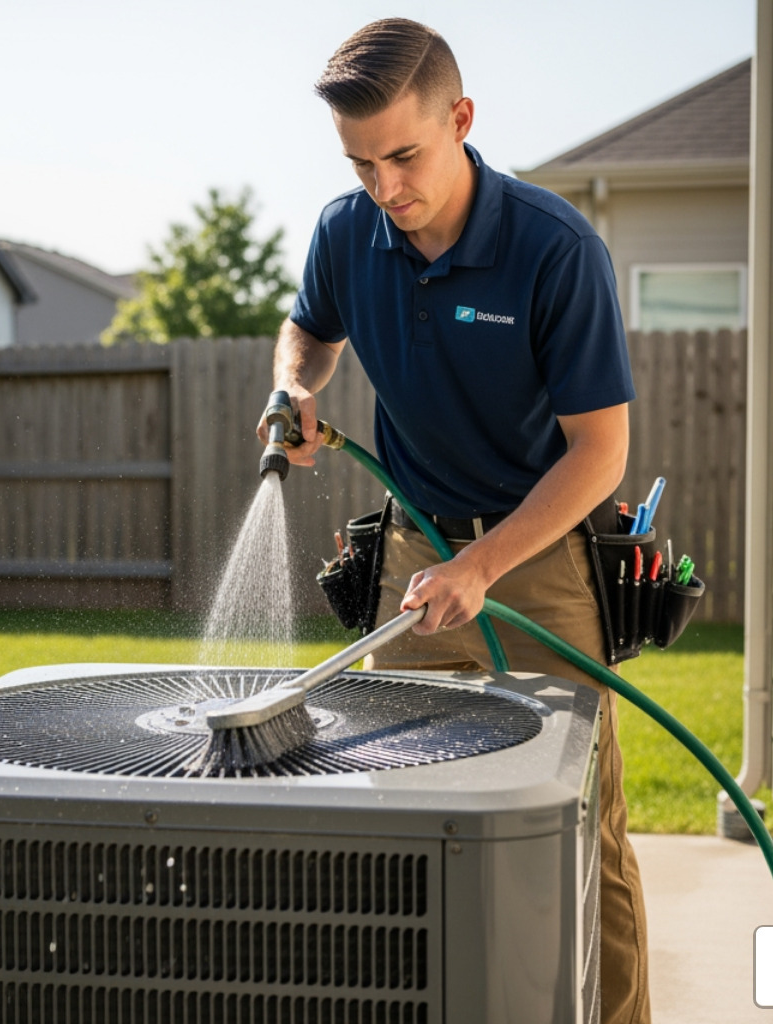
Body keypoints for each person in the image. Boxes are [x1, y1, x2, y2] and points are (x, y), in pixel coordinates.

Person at [261, 18, 650, 1024]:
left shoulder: (553, 249)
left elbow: (600, 454)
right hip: (414, 555)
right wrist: (294, 388)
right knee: (405, 815)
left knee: (578, 829)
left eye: (403, 155)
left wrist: (485, 561)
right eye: (360, 164)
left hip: (542, 561)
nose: (385, 189)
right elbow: (308, 328)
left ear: (461, 119)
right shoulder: (348, 234)